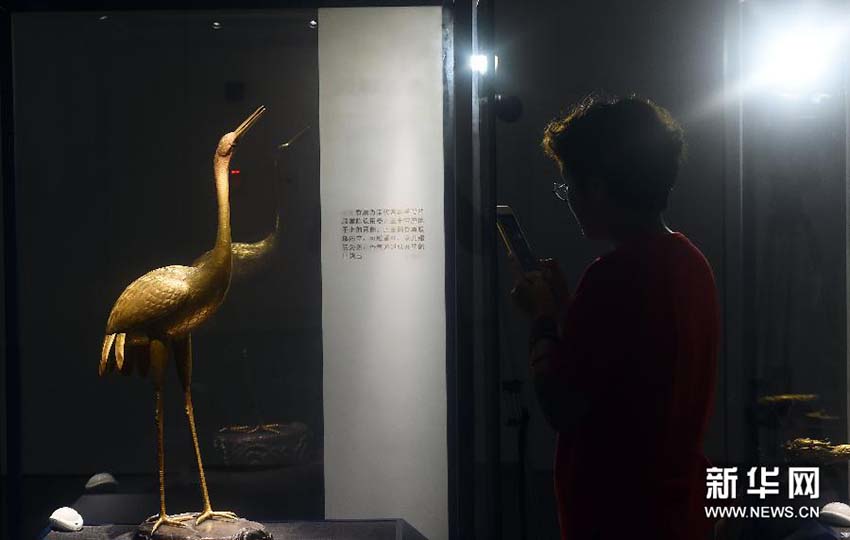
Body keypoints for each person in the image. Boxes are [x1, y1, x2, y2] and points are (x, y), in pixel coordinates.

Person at [511, 95, 719, 540]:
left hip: (620, 519)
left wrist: (542, 320)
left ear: (598, 187)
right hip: (680, 514)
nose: (570, 201)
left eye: (569, 187)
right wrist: (568, 311)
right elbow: (627, 370)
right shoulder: (691, 263)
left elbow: (562, 405)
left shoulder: (614, 277)